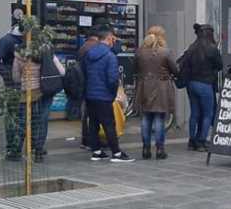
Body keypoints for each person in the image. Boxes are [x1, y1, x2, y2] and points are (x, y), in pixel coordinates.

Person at [82, 26, 134, 162]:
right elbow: (112, 79)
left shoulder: (89, 53)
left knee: (93, 124)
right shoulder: (110, 57)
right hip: (104, 96)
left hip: (90, 94)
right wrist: (112, 94)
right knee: (109, 125)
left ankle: (96, 151)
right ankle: (116, 153)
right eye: (113, 39)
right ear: (109, 38)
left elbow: (85, 73)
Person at [11, 39, 64, 164]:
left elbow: (15, 77)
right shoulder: (47, 51)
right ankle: (38, 151)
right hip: (44, 91)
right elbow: (62, 71)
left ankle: (16, 151)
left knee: (23, 121)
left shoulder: (19, 54)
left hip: (27, 92)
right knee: (41, 121)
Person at [135, 26, 178, 160]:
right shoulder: (165, 52)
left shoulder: (140, 52)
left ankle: (146, 148)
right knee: (159, 118)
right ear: (161, 37)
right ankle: (160, 149)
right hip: (161, 88)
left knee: (145, 118)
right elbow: (175, 70)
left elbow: (135, 69)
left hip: (144, 87)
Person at [182, 24, 223, 151]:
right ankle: (201, 141)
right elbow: (220, 66)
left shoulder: (191, 48)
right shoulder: (212, 49)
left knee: (194, 113)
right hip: (205, 84)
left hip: (191, 84)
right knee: (207, 114)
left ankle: (191, 140)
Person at [0, 22, 24, 159]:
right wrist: (9, 74)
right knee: (13, 116)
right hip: (13, 85)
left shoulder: (32, 40)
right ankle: (13, 149)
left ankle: (22, 147)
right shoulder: (8, 40)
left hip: (29, 84)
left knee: (24, 117)